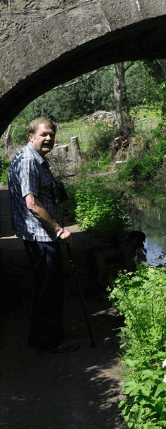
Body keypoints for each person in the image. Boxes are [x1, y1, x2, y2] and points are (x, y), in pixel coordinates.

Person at [8, 117, 79, 353]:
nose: (48, 138)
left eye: (51, 134)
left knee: (44, 287)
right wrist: (59, 230)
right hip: (41, 237)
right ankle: (51, 340)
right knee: (50, 289)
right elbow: (32, 204)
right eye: (43, 134)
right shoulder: (29, 160)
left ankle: (37, 336)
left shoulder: (36, 158)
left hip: (38, 235)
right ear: (31, 136)